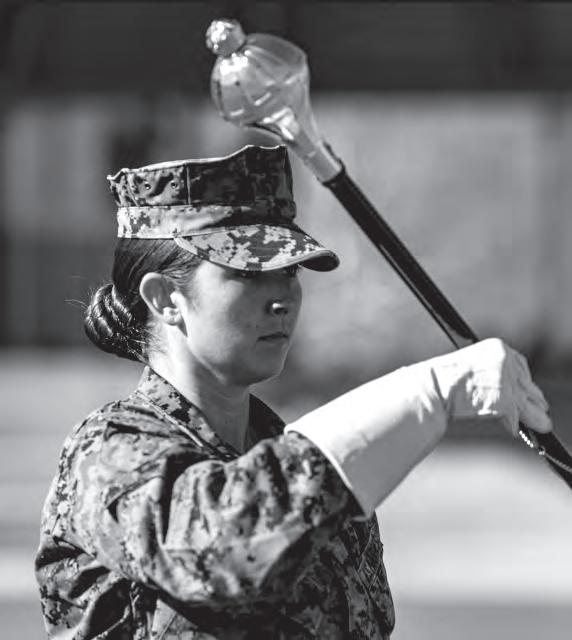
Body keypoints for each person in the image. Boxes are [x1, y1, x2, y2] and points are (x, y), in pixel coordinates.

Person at [35, 144, 552, 639]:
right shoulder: (107, 453)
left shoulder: (301, 460)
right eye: (247, 272)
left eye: (289, 271)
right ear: (165, 297)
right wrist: (423, 394)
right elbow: (222, 550)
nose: (282, 297)